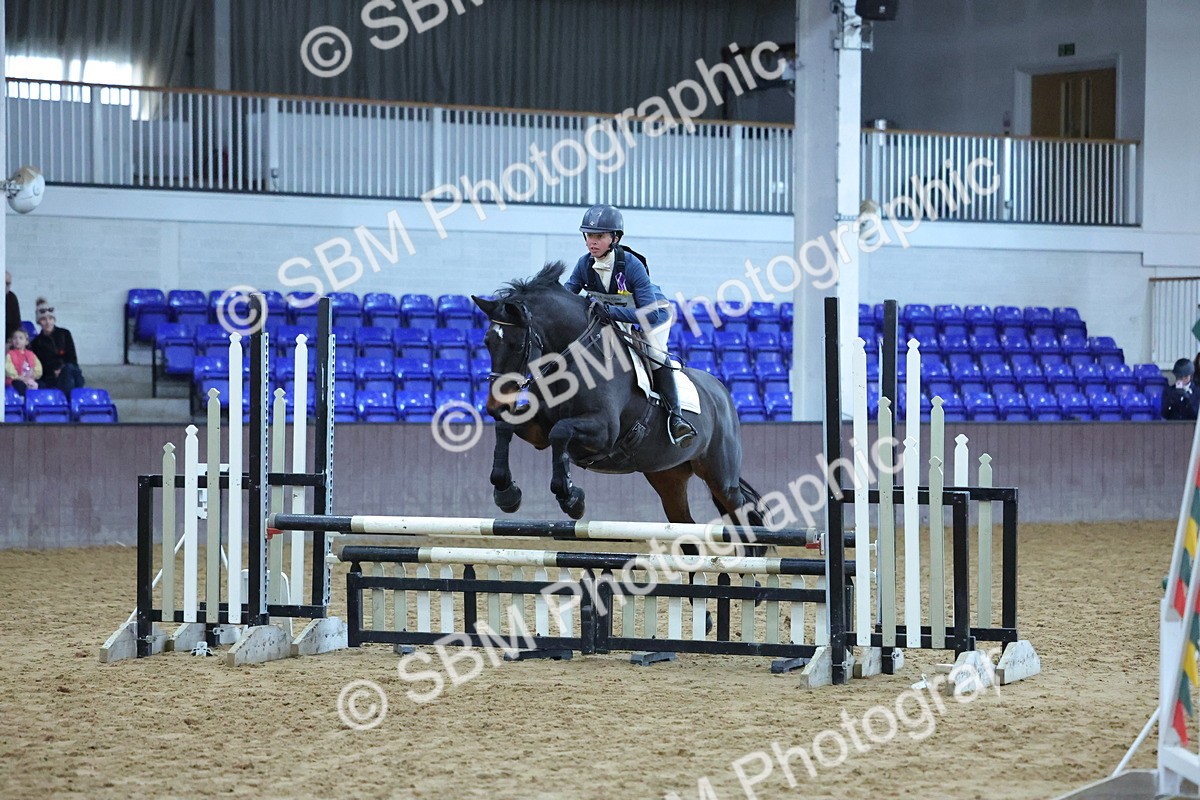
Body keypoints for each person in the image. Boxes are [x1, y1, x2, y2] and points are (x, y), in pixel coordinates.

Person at [562, 204, 697, 446]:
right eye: (589, 236)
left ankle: (676, 418)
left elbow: (650, 315)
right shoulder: (584, 265)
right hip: (616, 316)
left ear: (615, 238)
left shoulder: (632, 265)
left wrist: (609, 311)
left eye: (599, 236)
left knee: (655, 355)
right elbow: (566, 298)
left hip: (652, 317)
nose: (592, 242)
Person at [29, 299, 85, 399]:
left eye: (50, 318)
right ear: (39, 322)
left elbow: (72, 358)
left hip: (70, 372)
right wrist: (55, 371)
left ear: (54, 320)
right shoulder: (36, 343)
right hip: (51, 378)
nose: (48, 322)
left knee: (69, 370)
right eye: (44, 319)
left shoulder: (65, 334)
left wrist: (62, 369)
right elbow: (40, 366)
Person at [5, 328, 42, 397]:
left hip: (29, 379)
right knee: (18, 384)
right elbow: (8, 368)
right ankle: (22, 398)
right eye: (15, 338)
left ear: (26, 341)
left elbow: (38, 368)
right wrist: (18, 377)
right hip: (15, 380)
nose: (17, 340)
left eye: (21, 338)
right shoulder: (10, 354)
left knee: (42, 384)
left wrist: (32, 376)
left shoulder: (31, 354)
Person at [5, 271, 20, 344]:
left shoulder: (12, 298)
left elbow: (16, 324)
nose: (5, 286)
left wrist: (10, 341)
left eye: (8, 284)